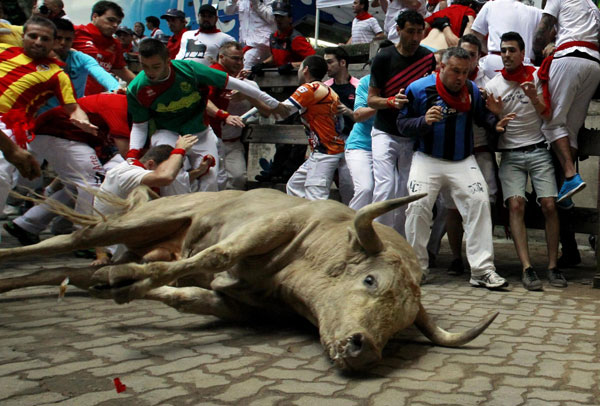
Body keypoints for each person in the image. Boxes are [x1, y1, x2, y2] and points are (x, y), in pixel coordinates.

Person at [397, 46, 515, 288]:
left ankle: (482, 270)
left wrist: (496, 123)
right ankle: (416, 269)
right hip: (427, 158)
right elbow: (401, 125)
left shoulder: (471, 90)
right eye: (455, 71)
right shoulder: (417, 89)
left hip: (462, 159)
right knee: (418, 207)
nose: (460, 77)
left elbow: (483, 117)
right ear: (442, 67)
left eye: (465, 72)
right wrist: (423, 121)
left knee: (479, 201)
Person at [126, 39, 288, 193]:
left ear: (168, 60)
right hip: (167, 133)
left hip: (199, 131)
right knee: (171, 178)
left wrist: (273, 103)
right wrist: (132, 155)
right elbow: (140, 125)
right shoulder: (137, 88)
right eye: (144, 66)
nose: (150, 73)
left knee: (211, 180)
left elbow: (237, 84)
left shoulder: (190, 70)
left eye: (155, 66)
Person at [484, 32, 563, 291]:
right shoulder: (494, 85)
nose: (506, 55)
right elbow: (491, 128)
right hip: (510, 154)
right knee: (515, 206)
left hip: (540, 150)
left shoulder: (537, 75)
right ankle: (527, 268)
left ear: (522, 52)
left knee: (550, 205)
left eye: (511, 50)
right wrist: (496, 119)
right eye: (502, 50)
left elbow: (546, 113)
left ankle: (552, 266)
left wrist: (533, 97)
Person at [0, 16, 96, 219]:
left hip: (9, 125)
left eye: (45, 39)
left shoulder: (56, 74)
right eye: (33, 36)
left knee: (0, 176)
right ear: (22, 36)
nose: (38, 42)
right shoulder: (3, 51)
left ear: (53, 43)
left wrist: (83, 120)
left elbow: (73, 107)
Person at [4, 93, 130, 246]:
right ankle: (85, 237)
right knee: (92, 182)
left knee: (78, 186)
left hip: (64, 137)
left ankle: (27, 224)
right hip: (57, 134)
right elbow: (124, 150)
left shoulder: (127, 105)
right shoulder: (120, 104)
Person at [533, 0, 600, 267]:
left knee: (550, 122)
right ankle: (566, 182)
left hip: (568, 56)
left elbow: (542, 30)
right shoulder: (593, 7)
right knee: (569, 130)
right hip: (594, 65)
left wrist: (540, 49)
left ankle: (570, 175)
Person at [367, 10, 436, 236]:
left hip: (412, 134)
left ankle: (398, 238)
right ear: (398, 30)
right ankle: (378, 236)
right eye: (410, 32)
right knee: (385, 187)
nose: (416, 38)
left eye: (419, 32)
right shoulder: (384, 57)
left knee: (407, 189)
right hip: (384, 131)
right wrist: (390, 101)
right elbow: (371, 100)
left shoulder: (428, 58)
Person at [92, 137, 200, 265]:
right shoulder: (128, 173)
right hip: (115, 242)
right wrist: (180, 149)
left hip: (120, 234)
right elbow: (166, 177)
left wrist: (199, 171)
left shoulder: (133, 167)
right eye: (163, 168)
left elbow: (172, 178)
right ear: (150, 164)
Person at [445, 33, 498, 276]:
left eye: (473, 55)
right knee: (453, 206)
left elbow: (492, 116)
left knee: (485, 203)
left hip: (480, 148)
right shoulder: (445, 79)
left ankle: (482, 259)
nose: (468, 58)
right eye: (464, 53)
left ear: (479, 57)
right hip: (454, 151)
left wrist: (493, 113)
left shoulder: (490, 81)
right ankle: (456, 257)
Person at [283, 55, 347, 200]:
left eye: (299, 68)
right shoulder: (328, 89)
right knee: (294, 186)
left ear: (305, 70)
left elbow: (281, 111)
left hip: (326, 152)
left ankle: (318, 221)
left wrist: (253, 96)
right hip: (327, 149)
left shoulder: (310, 88)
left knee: (316, 197)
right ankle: (304, 219)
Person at [465, 0, 541, 79]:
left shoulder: (491, 5)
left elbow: (475, 35)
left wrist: (487, 50)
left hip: (496, 61)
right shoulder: (536, 12)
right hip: (526, 65)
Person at [72, 1, 136, 95]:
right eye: (111, 20)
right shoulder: (76, 32)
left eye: (118, 22)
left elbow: (120, 70)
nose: (115, 25)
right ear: (95, 16)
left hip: (93, 101)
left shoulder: (116, 45)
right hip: (67, 100)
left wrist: (144, 86)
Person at [250, 1, 315, 75]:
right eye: (276, 16)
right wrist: (263, 64)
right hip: (281, 80)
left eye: (282, 16)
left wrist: (292, 65)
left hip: (296, 81)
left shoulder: (296, 39)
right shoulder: (273, 37)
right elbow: (276, 57)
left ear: (290, 19)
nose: (278, 19)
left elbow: (313, 61)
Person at [224, 0, 276, 70]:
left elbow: (272, 18)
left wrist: (256, 2)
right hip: (246, 43)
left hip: (262, 44)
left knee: (244, 67)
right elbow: (228, 11)